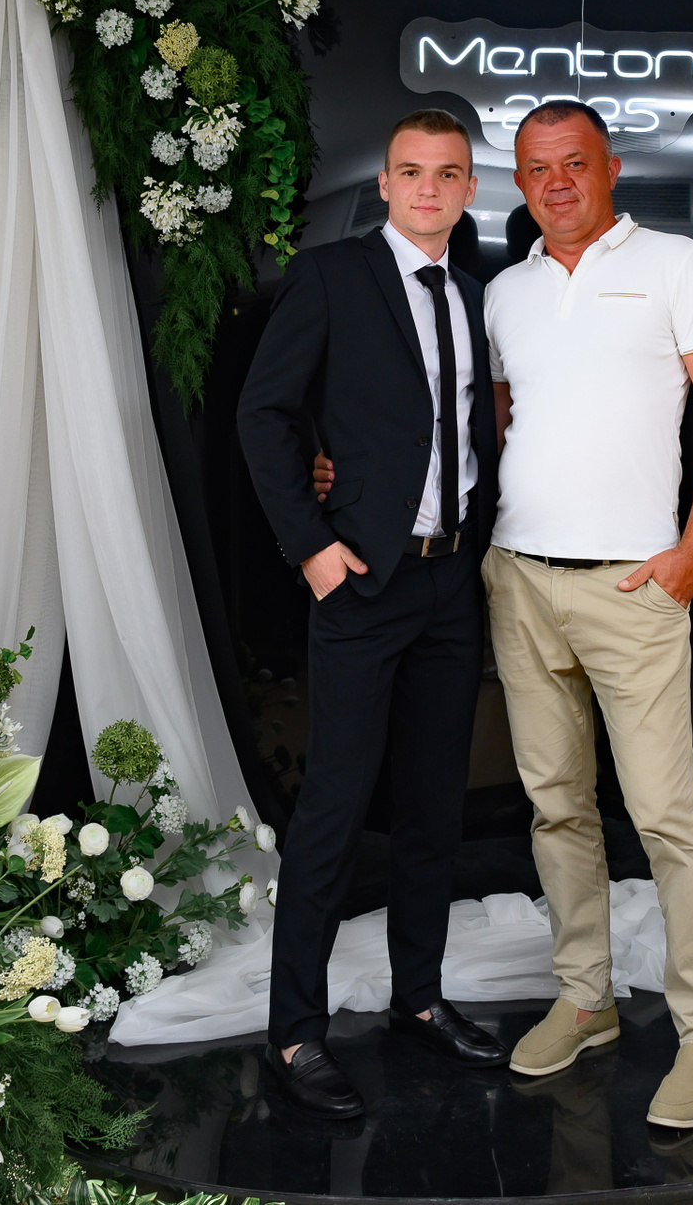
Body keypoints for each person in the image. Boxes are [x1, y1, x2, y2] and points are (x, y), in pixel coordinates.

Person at [484, 101, 693, 1130]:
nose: (555, 183)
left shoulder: (680, 265)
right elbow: (506, 424)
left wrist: (692, 555)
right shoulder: (504, 293)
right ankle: (586, 996)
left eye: (573, 162)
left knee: (664, 815)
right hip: (520, 578)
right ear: (520, 183)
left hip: (633, 586)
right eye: (535, 168)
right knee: (556, 803)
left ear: (610, 167)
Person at [235, 108, 507, 1120]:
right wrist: (312, 547)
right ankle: (293, 1032)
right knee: (335, 810)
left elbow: (467, 436)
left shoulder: (476, 295)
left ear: (468, 188)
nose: (430, 189)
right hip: (361, 582)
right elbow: (263, 412)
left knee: (435, 806)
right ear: (385, 185)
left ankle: (420, 998)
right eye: (411, 172)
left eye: (448, 173)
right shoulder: (331, 277)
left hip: (449, 582)